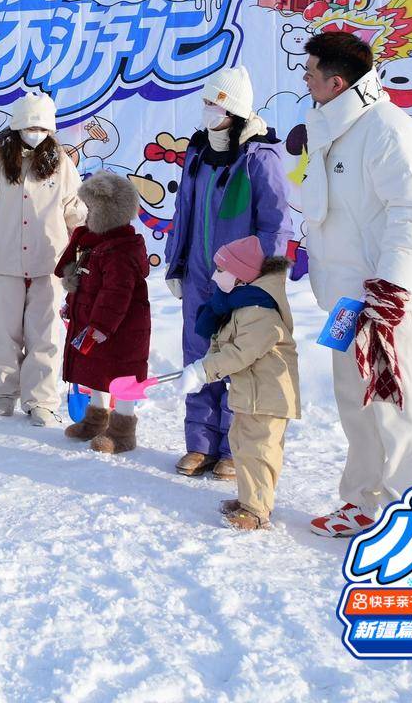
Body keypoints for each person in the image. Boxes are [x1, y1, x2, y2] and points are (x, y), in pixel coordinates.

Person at [296, 31, 412, 539]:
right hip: (347, 301)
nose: (305, 79)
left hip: (387, 303)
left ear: (337, 82)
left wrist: (390, 289)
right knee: (355, 404)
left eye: (311, 72)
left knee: (397, 410)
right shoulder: (330, 126)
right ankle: (362, 500)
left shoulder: (387, 129)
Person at [158, 66, 290, 480]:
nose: (206, 109)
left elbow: (276, 227)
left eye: (212, 102)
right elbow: (184, 212)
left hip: (241, 279)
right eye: (204, 101)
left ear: (232, 109)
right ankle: (200, 444)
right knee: (198, 354)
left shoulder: (259, 157)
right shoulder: (198, 151)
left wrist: (253, 275)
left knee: (236, 361)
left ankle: (233, 448)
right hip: (199, 274)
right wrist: (176, 262)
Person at [0, 92, 84, 425]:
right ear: (17, 125)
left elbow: (74, 208)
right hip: (2, 260)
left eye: (43, 128)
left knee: (45, 334)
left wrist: (83, 248)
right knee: (1, 331)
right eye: (30, 127)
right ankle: (4, 393)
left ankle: (41, 400)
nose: (36, 133)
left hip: (49, 262)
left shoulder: (60, 161)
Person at [174, 237, 301, 531]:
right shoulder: (239, 306)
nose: (215, 276)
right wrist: (201, 369)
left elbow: (241, 352)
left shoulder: (260, 311)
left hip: (268, 397)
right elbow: (223, 345)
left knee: (259, 451)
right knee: (242, 446)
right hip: (251, 394)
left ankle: (256, 510)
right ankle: (249, 500)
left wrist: (204, 371)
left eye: (221, 270)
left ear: (241, 275)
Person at [58, 170, 150, 455]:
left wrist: (100, 325)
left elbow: (116, 294)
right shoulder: (94, 244)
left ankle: (123, 431)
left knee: (122, 378)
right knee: (95, 371)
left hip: (120, 330)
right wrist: (72, 304)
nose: (86, 215)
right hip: (95, 324)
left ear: (107, 213)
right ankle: (96, 419)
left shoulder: (121, 251)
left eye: (91, 209)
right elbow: (85, 282)